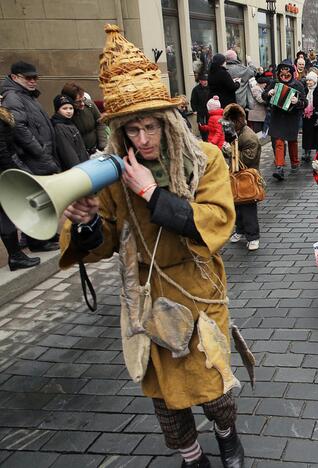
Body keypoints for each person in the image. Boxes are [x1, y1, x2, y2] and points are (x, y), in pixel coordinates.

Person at [59, 24, 246, 468]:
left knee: (212, 384)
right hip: (146, 297)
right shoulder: (110, 174)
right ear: (120, 132)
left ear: (168, 123)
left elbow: (214, 224)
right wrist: (84, 224)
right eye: (132, 130)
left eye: (151, 127)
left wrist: (152, 194)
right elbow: (101, 242)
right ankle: (191, 456)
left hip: (198, 291)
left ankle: (227, 435)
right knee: (165, 398)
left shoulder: (206, 159)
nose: (142, 140)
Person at [1, 61, 60, 252]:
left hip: (37, 155)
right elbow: (19, 128)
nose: (33, 81)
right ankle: (37, 240)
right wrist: (39, 149)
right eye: (29, 77)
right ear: (15, 77)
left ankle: (42, 236)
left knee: (40, 198)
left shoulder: (25, 95)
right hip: (31, 157)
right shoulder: (13, 97)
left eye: (35, 77)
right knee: (36, 199)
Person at [0, 94, 40, 270]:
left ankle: (16, 255)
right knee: (5, 214)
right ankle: (15, 256)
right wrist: (12, 175)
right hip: (3, 173)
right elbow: (2, 152)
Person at [224, 103, 262, 251]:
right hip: (236, 174)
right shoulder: (235, 133)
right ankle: (240, 230)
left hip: (247, 176)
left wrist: (229, 151)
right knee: (237, 205)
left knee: (248, 207)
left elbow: (248, 159)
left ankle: (253, 237)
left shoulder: (249, 137)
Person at [267, 59, 306, 180]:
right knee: (278, 141)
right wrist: (269, 93)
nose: (284, 75)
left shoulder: (298, 85)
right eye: (282, 73)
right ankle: (280, 167)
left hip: (291, 118)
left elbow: (305, 102)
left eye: (287, 73)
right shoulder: (274, 83)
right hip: (278, 117)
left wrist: (297, 102)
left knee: (292, 141)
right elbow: (264, 96)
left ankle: (295, 162)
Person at [61, 82, 107, 155]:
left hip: (97, 150)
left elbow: (100, 123)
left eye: (83, 99)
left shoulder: (89, 105)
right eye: (78, 102)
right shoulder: (65, 114)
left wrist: (102, 145)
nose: (82, 104)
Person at [51, 94, 88, 170]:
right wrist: (79, 170)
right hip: (77, 169)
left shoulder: (69, 122)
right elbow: (68, 153)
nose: (69, 111)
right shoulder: (59, 127)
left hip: (83, 165)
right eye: (64, 108)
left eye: (71, 108)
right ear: (58, 110)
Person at [190, 72, 211, 140]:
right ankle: (204, 138)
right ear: (200, 81)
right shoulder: (196, 89)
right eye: (203, 80)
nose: (205, 82)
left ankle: (209, 138)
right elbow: (193, 100)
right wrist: (194, 110)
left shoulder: (209, 88)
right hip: (200, 110)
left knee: (210, 124)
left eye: (206, 80)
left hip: (209, 110)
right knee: (201, 125)